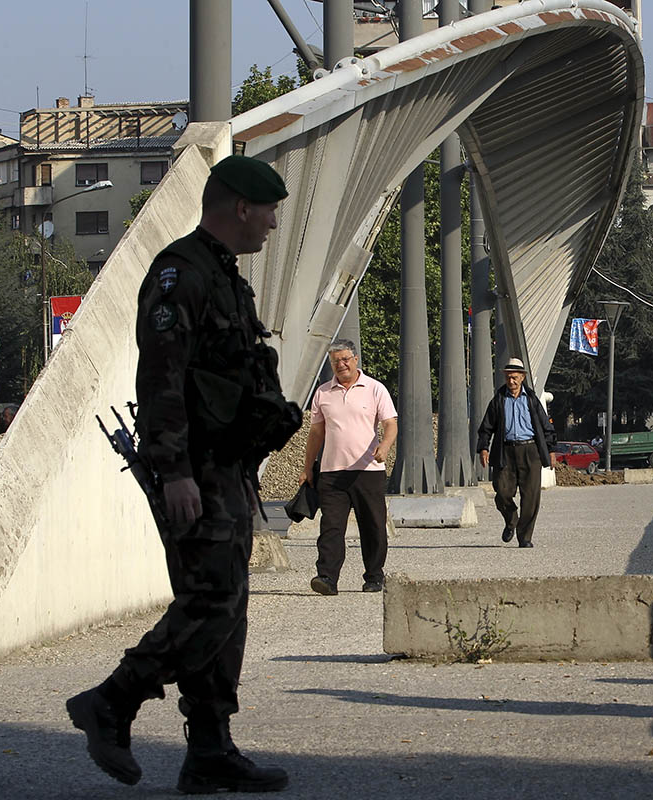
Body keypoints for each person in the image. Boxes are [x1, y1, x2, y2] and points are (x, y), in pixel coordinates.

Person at [66, 155, 298, 793]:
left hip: (225, 467)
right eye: (268, 210)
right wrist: (175, 472)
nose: (273, 223)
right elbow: (161, 379)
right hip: (193, 470)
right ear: (241, 207)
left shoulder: (224, 277)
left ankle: (210, 749)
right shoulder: (181, 274)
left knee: (229, 604)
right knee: (211, 601)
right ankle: (112, 700)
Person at [299, 340, 398, 595]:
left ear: (355, 359)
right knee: (331, 527)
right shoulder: (322, 393)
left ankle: (374, 576)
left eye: (345, 359)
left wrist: (385, 447)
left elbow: (390, 424)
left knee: (373, 526)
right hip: (332, 473)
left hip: (368, 471)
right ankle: (327, 577)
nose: (341, 365)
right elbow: (316, 433)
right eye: (335, 361)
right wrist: (308, 467)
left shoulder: (375, 388)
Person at [477, 357, 555, 547]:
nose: (511, 381)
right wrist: (483, 447)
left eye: (514, 377)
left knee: (531, 497)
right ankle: (511, 519)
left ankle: (525, 538)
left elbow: (546, 427)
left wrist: (551, 450)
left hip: (530, 451)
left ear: (522, 377)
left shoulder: (531, 400)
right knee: (502, 491)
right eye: (508, 377)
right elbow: (486, 427)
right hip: (505, 451)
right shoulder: (498, 400)